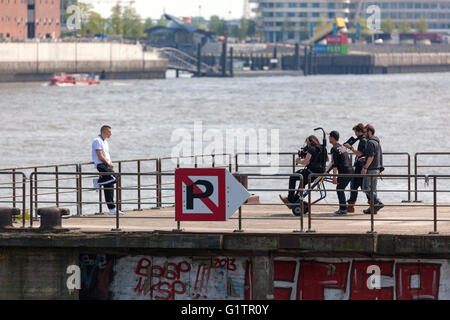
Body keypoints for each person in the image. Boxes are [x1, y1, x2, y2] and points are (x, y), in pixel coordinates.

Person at [345, 124, 384, 214]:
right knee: (371, 189)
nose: (363, 134)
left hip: (366, 168)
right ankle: (373, 207)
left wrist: (365, 166)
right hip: (374, 168)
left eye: (365, 132)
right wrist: (380, 168)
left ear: (369, 132)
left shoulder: (367, 142)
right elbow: (378, 155)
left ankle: (377, 202)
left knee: (362, 187)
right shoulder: (376, 141)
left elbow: (367, 155)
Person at [279, 135, 328, 207]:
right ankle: (295, 200)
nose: (306, 144)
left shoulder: (311, 149)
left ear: (311, 142)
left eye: (307, 142)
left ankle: (290, 199)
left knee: (293, 177)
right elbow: (327, 159)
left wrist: (298, 161)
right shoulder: (323, 148)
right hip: (320, 173)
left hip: (311, 173)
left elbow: (305, 162)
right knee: (303, 181)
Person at [92, 125, 124, 215]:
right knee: (114, 177)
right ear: (104, 131)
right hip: (101, 165)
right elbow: (100, 155)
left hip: (107, 165)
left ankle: (112, 209)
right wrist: (107, 163)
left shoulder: (105, 142)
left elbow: (107, 154)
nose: (111, 134)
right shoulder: (97, 141)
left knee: (109, 185)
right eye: (109, 132)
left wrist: (111, 163)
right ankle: (99, 182)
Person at [343, 123, 368, 213]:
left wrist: (351, 148)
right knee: (360, 186)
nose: (355, 134)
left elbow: (360, 154)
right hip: (360, 166)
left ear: (359, 131)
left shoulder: (363, 141)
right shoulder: (362, 140)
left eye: (356, 132)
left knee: (355, 186)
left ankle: (351, 206)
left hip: (360, 167)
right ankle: (373, 203)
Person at [329, 131, 354, 216]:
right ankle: (345, 207)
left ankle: (343, 209)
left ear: (332, 138)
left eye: (329, 137)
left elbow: (334, 164)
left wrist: (334, 177)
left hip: (344, 172)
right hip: (350, 170)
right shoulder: (341, 147)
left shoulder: (334, 149)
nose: (329, 138)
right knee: (341, 188)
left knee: (339, 189)